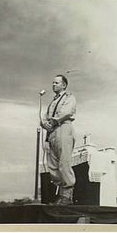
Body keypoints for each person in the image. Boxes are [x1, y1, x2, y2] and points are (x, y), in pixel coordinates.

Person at [40, 74, 76, 205]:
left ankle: (67, 195)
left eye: (56, 83)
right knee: (52, 163)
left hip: (63, 128)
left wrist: (54, 121)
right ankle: (62, 195)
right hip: (52, 132)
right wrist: (44, 123)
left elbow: (67, 112)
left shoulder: (69, 97)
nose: (53, 85)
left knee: (63, 161)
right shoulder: (52, 102)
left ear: (64, 85)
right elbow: (45, 117)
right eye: (53, 82)